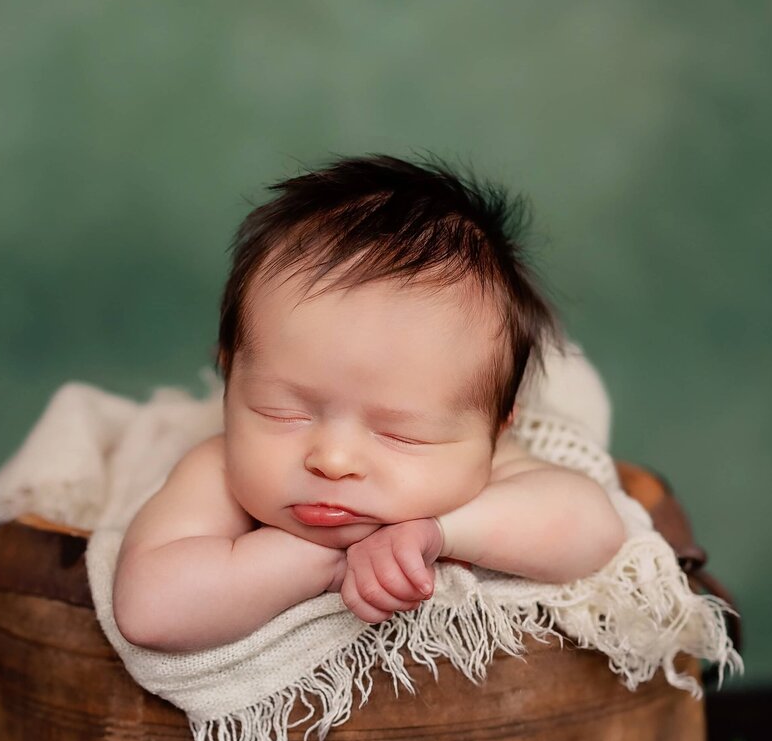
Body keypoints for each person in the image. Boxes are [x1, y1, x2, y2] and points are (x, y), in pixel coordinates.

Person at [113, 153, 626, 653]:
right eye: (281, 412)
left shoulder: (485, 470)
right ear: (229, 375)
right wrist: (330, 558)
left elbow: (594, 530)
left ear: (497, 429)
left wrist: (436, 534)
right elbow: (148, 609)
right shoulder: (217, 468)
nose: (333, 460)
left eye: (402, 434)